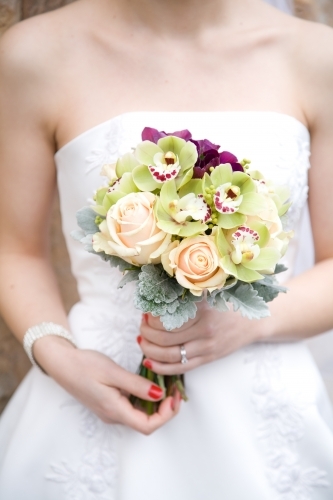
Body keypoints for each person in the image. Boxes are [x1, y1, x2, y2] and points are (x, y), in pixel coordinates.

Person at [0, 0, 333, 498]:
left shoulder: (317, 58)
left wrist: (249, 322)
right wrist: (58, 356)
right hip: (96, 390)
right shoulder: (34, 56)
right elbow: (14, 249)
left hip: (263, 406)